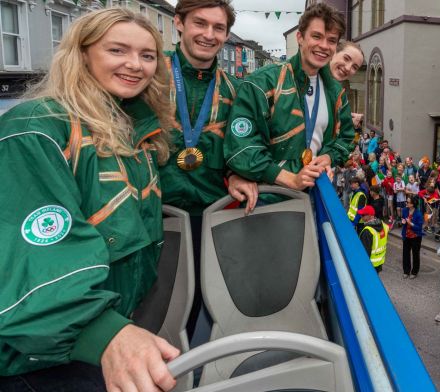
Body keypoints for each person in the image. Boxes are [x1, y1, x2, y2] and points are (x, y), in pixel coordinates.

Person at [0, 8, 179, 391]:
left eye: (147, 56)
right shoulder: (38, 128)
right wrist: (106, 334)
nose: (135, 65)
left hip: (97, 339)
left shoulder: (135, 130)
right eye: (117, 50)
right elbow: (37, 257)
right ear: (82, 54)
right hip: (38, 358)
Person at [162, 0, 259, 343]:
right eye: (199, 23)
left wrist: (235, 174)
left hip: (209, 220)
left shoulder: (235, 90)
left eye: (218, 28)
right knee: (154, 311)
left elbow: (237, 148)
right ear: (179, 23)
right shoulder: (150, 76)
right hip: (152, 219)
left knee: (196, 309)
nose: (208, 34)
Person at [224, 3, 354, 193]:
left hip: (313, 194)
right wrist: (291, 179)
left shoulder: (335, 91)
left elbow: (346, 137)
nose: (324, 46)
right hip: (268, 198)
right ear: (300, 37)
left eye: (331, 40)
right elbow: (241, 148)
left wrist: (328, 157)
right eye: (316, 36)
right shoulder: (263, 82)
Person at [357, 206, 388, 273]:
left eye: (363, 215)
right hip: (379, 262)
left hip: (370, 265)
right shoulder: (383, 225)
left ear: (371, 216)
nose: (361, 217)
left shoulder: (367, 231)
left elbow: (365, 253)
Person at [401, 195, 424, 279]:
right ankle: (406, 271)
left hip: (416, 237)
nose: (406, 203)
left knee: (415, 254)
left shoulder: (418, 214)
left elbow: (419, 227)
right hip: (406, 235)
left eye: (408, 202)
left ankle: (414, 272)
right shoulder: (404, 210)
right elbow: (403, 219)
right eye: (406, 201)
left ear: (413, 204)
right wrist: (403, 221)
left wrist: (411, 224)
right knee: (405, 254)